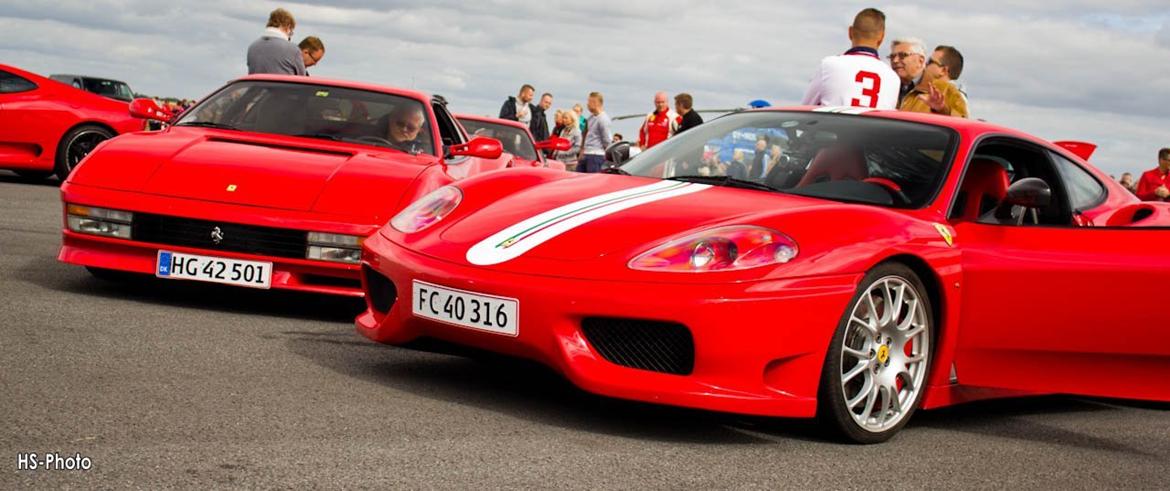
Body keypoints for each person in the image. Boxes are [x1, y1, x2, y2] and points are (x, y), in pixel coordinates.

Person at [801, 8, 899, 109]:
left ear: (850, 32)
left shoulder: (828, 66)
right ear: (882, 37)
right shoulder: (893, 78)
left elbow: (805, 109)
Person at [900, 45, 969, 118]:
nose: (925, 64)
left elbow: (962, 121)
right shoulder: (918, 89)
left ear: (943, 70)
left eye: (930, 61)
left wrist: (943, 110)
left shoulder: (955, 95)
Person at [246, 8, 306, 76]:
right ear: (288, 27)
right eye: (291, 33)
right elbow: (302, 78)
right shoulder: (293, 50)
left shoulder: (252, 47)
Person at [578, 92, 613, 173]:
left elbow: (607, 140)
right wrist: (582, 150)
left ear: (596, 103)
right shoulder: (590, 118)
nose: (587, 104)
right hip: (586, 153)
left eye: (589, 102)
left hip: (596, 155)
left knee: (592, 178)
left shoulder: (603, 119)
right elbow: (585, 134)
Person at [889, 37, 926, 105]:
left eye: (903, 55)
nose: (895, 60)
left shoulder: (938, 89)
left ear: (921, 61)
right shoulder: (886, 85)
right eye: (892, 57)